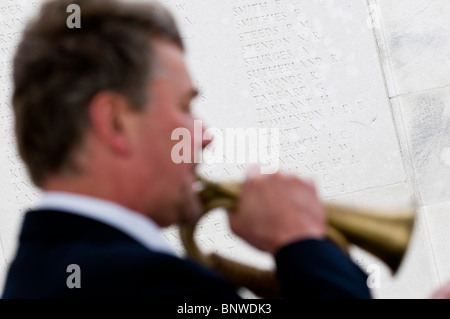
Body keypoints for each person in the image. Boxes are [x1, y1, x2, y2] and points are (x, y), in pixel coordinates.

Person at [1, 0, 371, 299]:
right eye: (184, 106)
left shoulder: (37, 271)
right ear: (115, 122)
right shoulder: (154, 285)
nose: (205, 136)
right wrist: (301, 240)